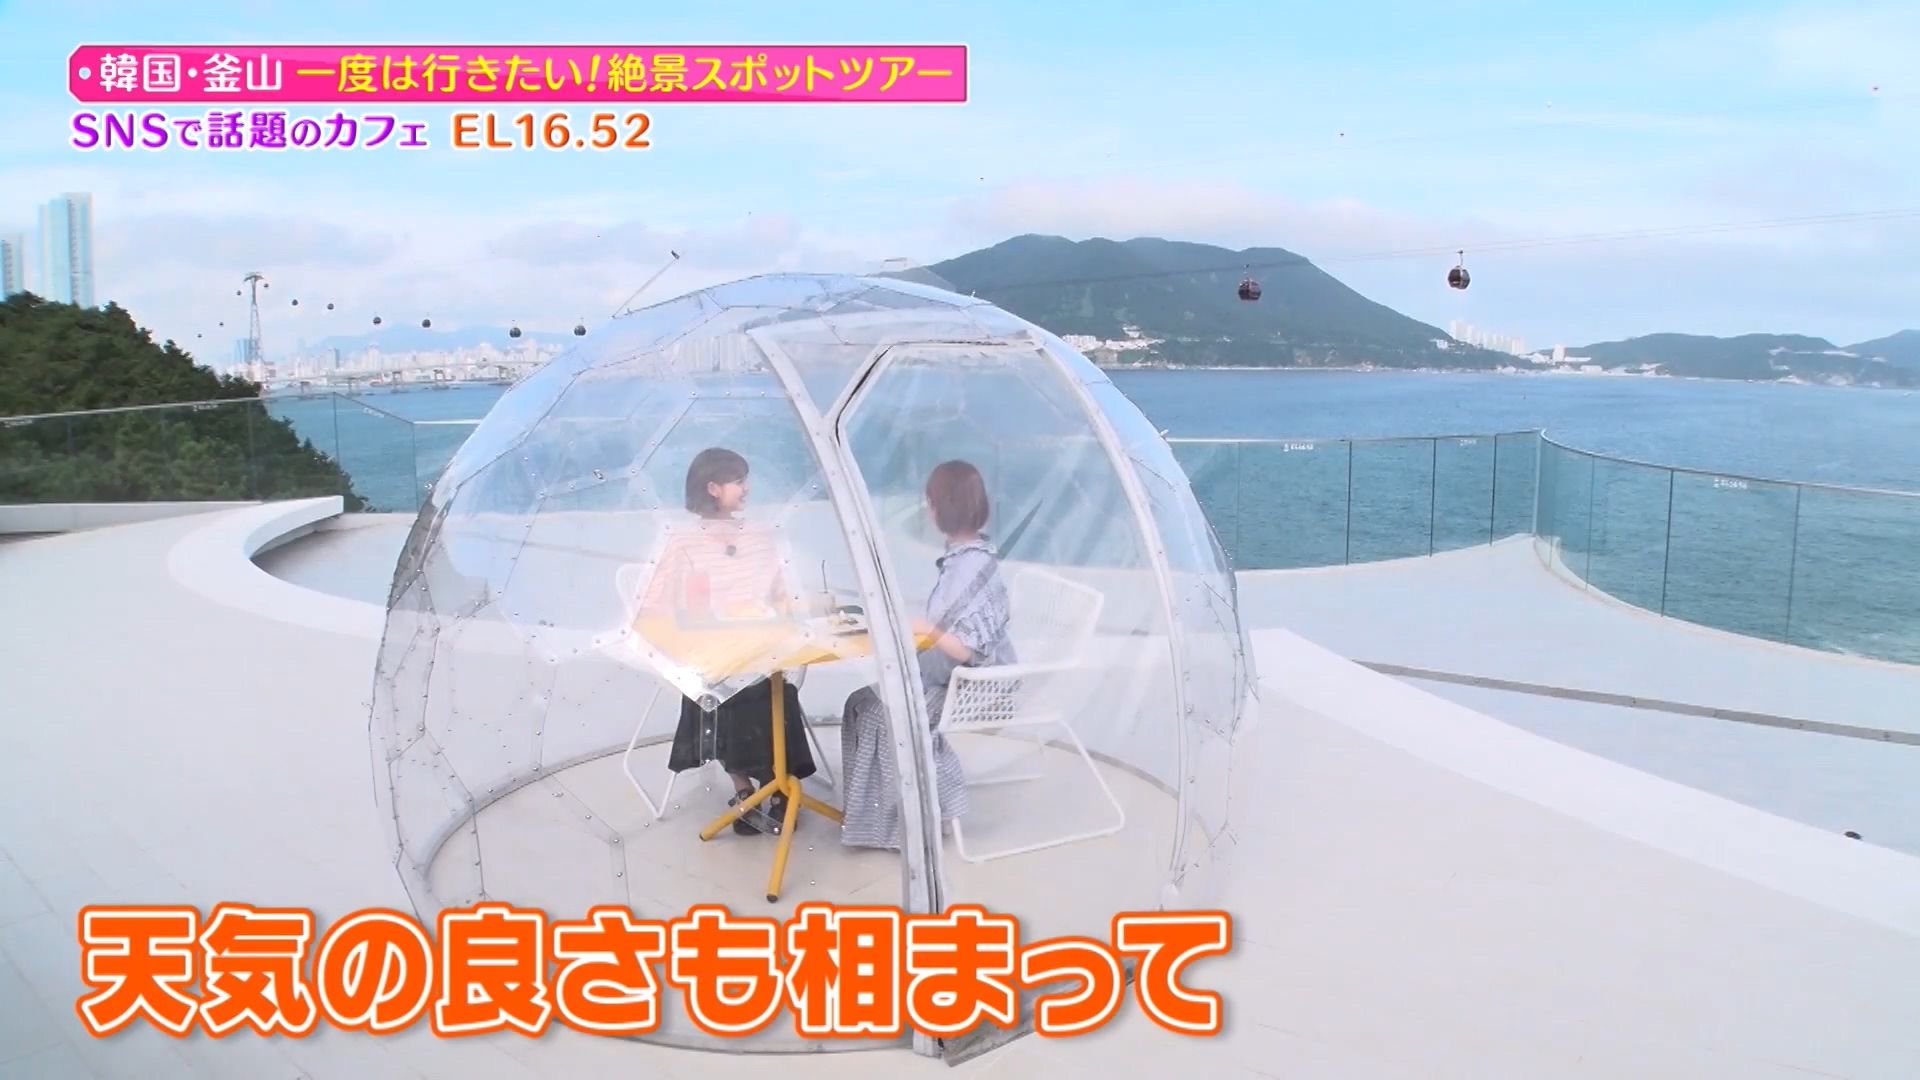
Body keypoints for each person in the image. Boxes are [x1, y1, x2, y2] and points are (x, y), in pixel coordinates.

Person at [838, 459, 1016, 850]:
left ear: (940, 508)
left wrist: (925, 628)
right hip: (947, 675)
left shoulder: (970, 566)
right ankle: (873, 816)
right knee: (860, 703)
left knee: (882, 713)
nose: (927, 509)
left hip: (975, 686)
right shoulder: (963, 558)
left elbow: (968, 649)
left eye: (930, 502)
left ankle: (917, 821)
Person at [638, 446, 816, 836]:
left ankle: (777, 785)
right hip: (712, 652)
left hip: (762, 647)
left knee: (771, 688)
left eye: (745, 480)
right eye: (738, 481)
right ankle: (744, 788)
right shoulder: (682, 543)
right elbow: (654, 606)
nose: (746, 488)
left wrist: (784, 610)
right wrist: (690, 625)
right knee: (722, 689)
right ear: (713, 488)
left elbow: (783, 594)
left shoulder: (761, 536)